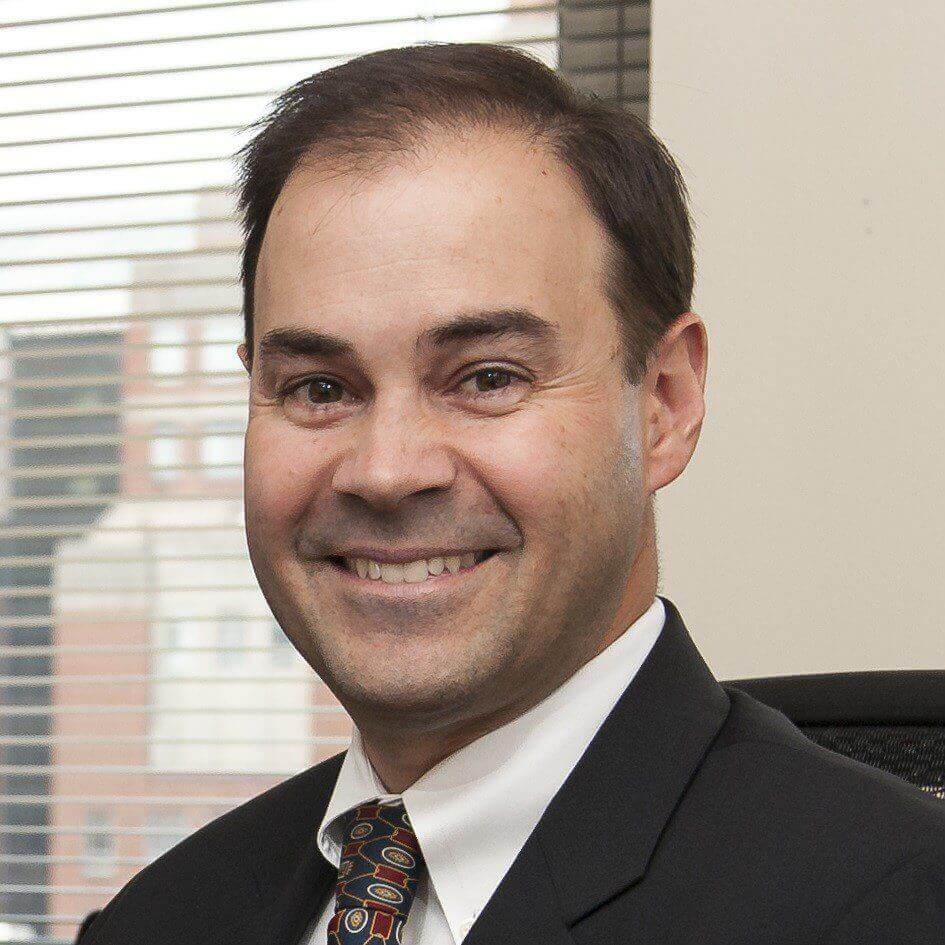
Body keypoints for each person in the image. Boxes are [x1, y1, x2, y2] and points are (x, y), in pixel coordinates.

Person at [80, 42, 945, 945]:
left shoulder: (893, 908)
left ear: (663, 403)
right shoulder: (157, 920)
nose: (385, 471)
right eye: (319, 388)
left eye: (487, 377)